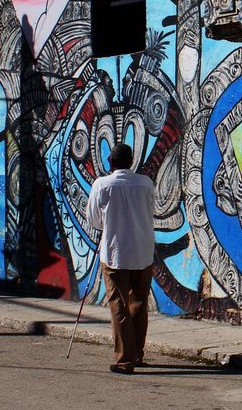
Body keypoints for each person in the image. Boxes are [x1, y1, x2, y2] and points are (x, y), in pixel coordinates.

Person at [85, 143, 156, 374]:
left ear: (110, 162)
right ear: (131, 161)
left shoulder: (102, 185)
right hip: (143, 251)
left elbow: (94, 219)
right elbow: (150, 210)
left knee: (119, 305)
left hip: (115, 253)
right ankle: (137, 353)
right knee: (139, 303)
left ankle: (125, 359)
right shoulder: (145, 183)